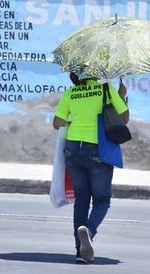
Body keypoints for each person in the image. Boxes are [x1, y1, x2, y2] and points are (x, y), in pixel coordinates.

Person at [53, 72, 129, 263]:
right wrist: (121, 96)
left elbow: (57, 123)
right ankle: (89, 229)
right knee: (102, 200)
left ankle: (80, 252)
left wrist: (76, 120)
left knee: (81, 200)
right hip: (97, 150)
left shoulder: (71, 92)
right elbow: (124, 118)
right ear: (95, 73)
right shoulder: (106, 90)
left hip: (72, 149)